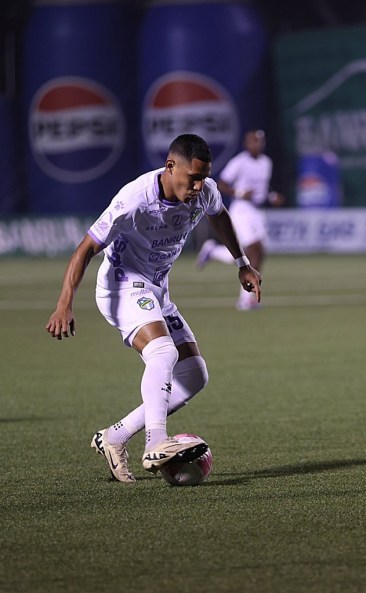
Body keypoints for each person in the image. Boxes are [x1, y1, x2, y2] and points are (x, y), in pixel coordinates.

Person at [46, 134, 262, 483]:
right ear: (169, 166)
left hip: (157, 289)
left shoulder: (204, 191)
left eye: (203, 177)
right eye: (192, 177)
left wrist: (242, 262)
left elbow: (220, 216)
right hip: (121, 284)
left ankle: (114, 436)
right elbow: (86, 248)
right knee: (162, 352)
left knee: (193, 377)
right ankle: (156, 441)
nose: (198, 185)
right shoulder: (134, 199)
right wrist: (64, 303)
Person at [196, 129, 281, 310]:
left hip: (257, 211)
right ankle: (246, 300)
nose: (257, 145)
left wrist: (272, 196)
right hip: (241, 210)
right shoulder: (239, 162)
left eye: (260, 142)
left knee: (259, 254)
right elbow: (222, 183)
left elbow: (263, 187)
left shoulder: (267, 162)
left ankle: (213, 252)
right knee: (253, 250)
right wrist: (241, 193)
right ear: (247, 144)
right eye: (254, 141)